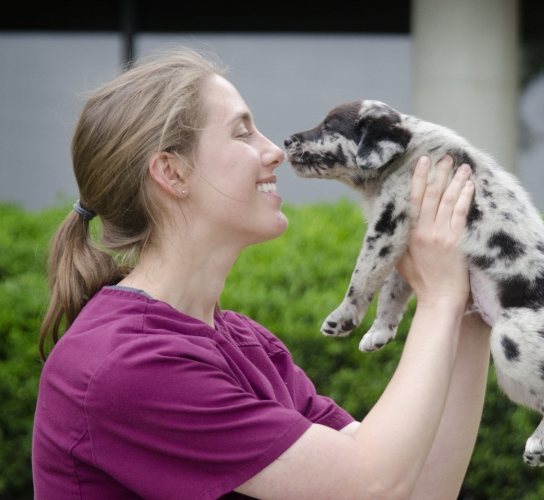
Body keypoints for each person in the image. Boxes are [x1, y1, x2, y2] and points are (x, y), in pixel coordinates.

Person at [32, 48, 491, 500]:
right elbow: (369, 486)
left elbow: (413, 489)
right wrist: (436, 299)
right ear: (171, 172)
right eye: (242, 133)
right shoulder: (127, 365)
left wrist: (468, 310)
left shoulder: (247, 345)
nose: (274, 152)